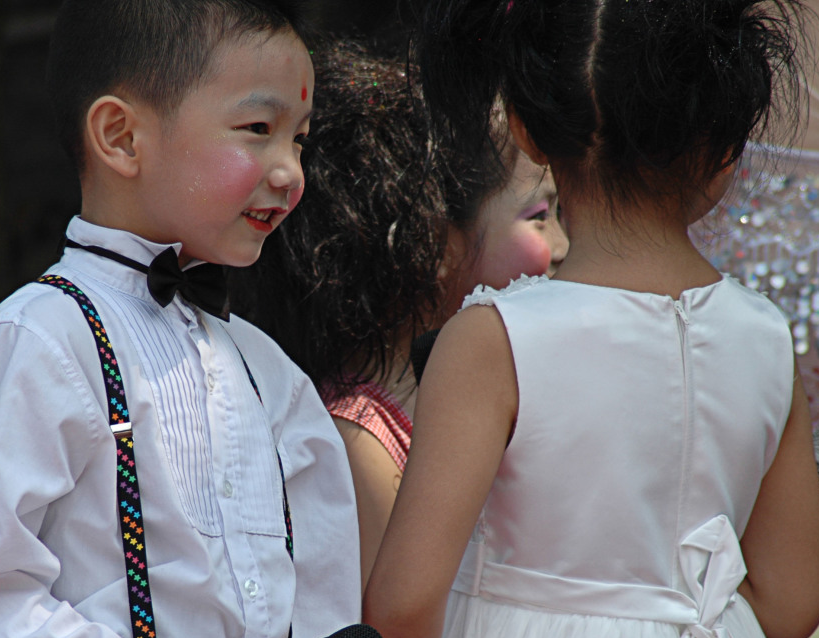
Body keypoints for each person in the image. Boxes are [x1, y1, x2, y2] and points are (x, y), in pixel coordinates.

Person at [363, 1, 819, 638]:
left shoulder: (495, 340)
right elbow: (792, 603)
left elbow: (404, 602)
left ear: (525, 129)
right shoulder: (764, 340)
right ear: (727, 153)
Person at [0, 1, 361, 638]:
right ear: (121, 137)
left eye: (299, 138)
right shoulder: (39, 341)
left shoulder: (270, 374)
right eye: (258, 128)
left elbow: (325, 604)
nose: (290, 171)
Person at [228, 40, 567, 586]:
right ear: (435, 241)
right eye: (540, 216)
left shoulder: (456, 397)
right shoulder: (359, 440)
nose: (561, 245)